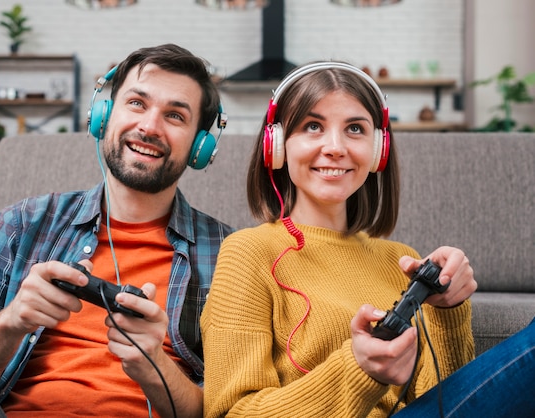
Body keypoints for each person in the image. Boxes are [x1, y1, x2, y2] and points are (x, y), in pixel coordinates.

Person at [200, 62, 535, 417]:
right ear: (277, 145)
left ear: (378, 150)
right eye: (313, 127)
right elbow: (231, 412)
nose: (335, 147)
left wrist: (448, 312)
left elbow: (446, 400)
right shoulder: (248, 253)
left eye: (355, 129)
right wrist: (358, 369)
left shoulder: (402, 259)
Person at [0, 44, 232, 418]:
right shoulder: (20, 224)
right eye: (137, 103)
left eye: (175, 115)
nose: (149, 127)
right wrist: (11, 323)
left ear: (200, 146)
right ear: (104, 116)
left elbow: (225, 409)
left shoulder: (229, 254)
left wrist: (153, 364)